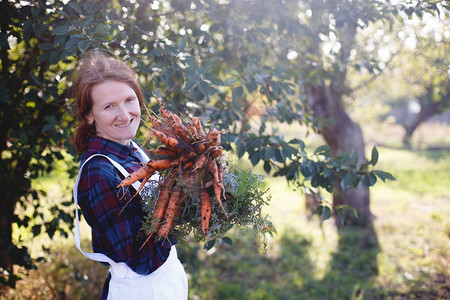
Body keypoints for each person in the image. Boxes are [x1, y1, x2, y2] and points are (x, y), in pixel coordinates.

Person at [71, 51, 188, 299]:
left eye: (129, 100)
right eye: (109, 106)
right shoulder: (100, 174)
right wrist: (185, 209)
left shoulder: (131, 149)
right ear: (90, 115)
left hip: (165, 283)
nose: (125, 115)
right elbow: (141, 258)